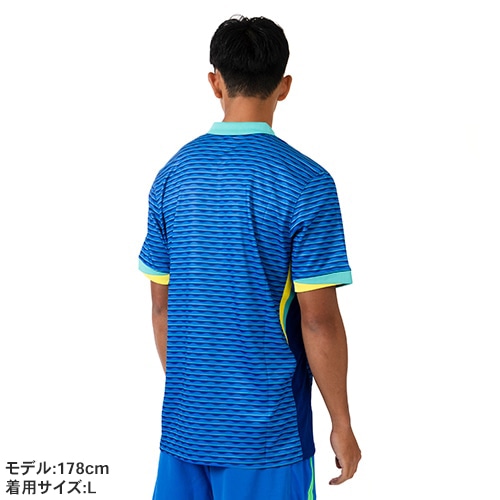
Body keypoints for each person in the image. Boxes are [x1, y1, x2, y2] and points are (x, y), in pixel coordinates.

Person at [139, 15, 361, 500]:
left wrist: (199, 401)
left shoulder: (172, 176)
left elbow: (161, 308)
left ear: (215, 82)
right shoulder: (307, 183)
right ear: (284, 86)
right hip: (268, 438)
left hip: (184, 429)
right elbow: (318, 321)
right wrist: (341, 423)